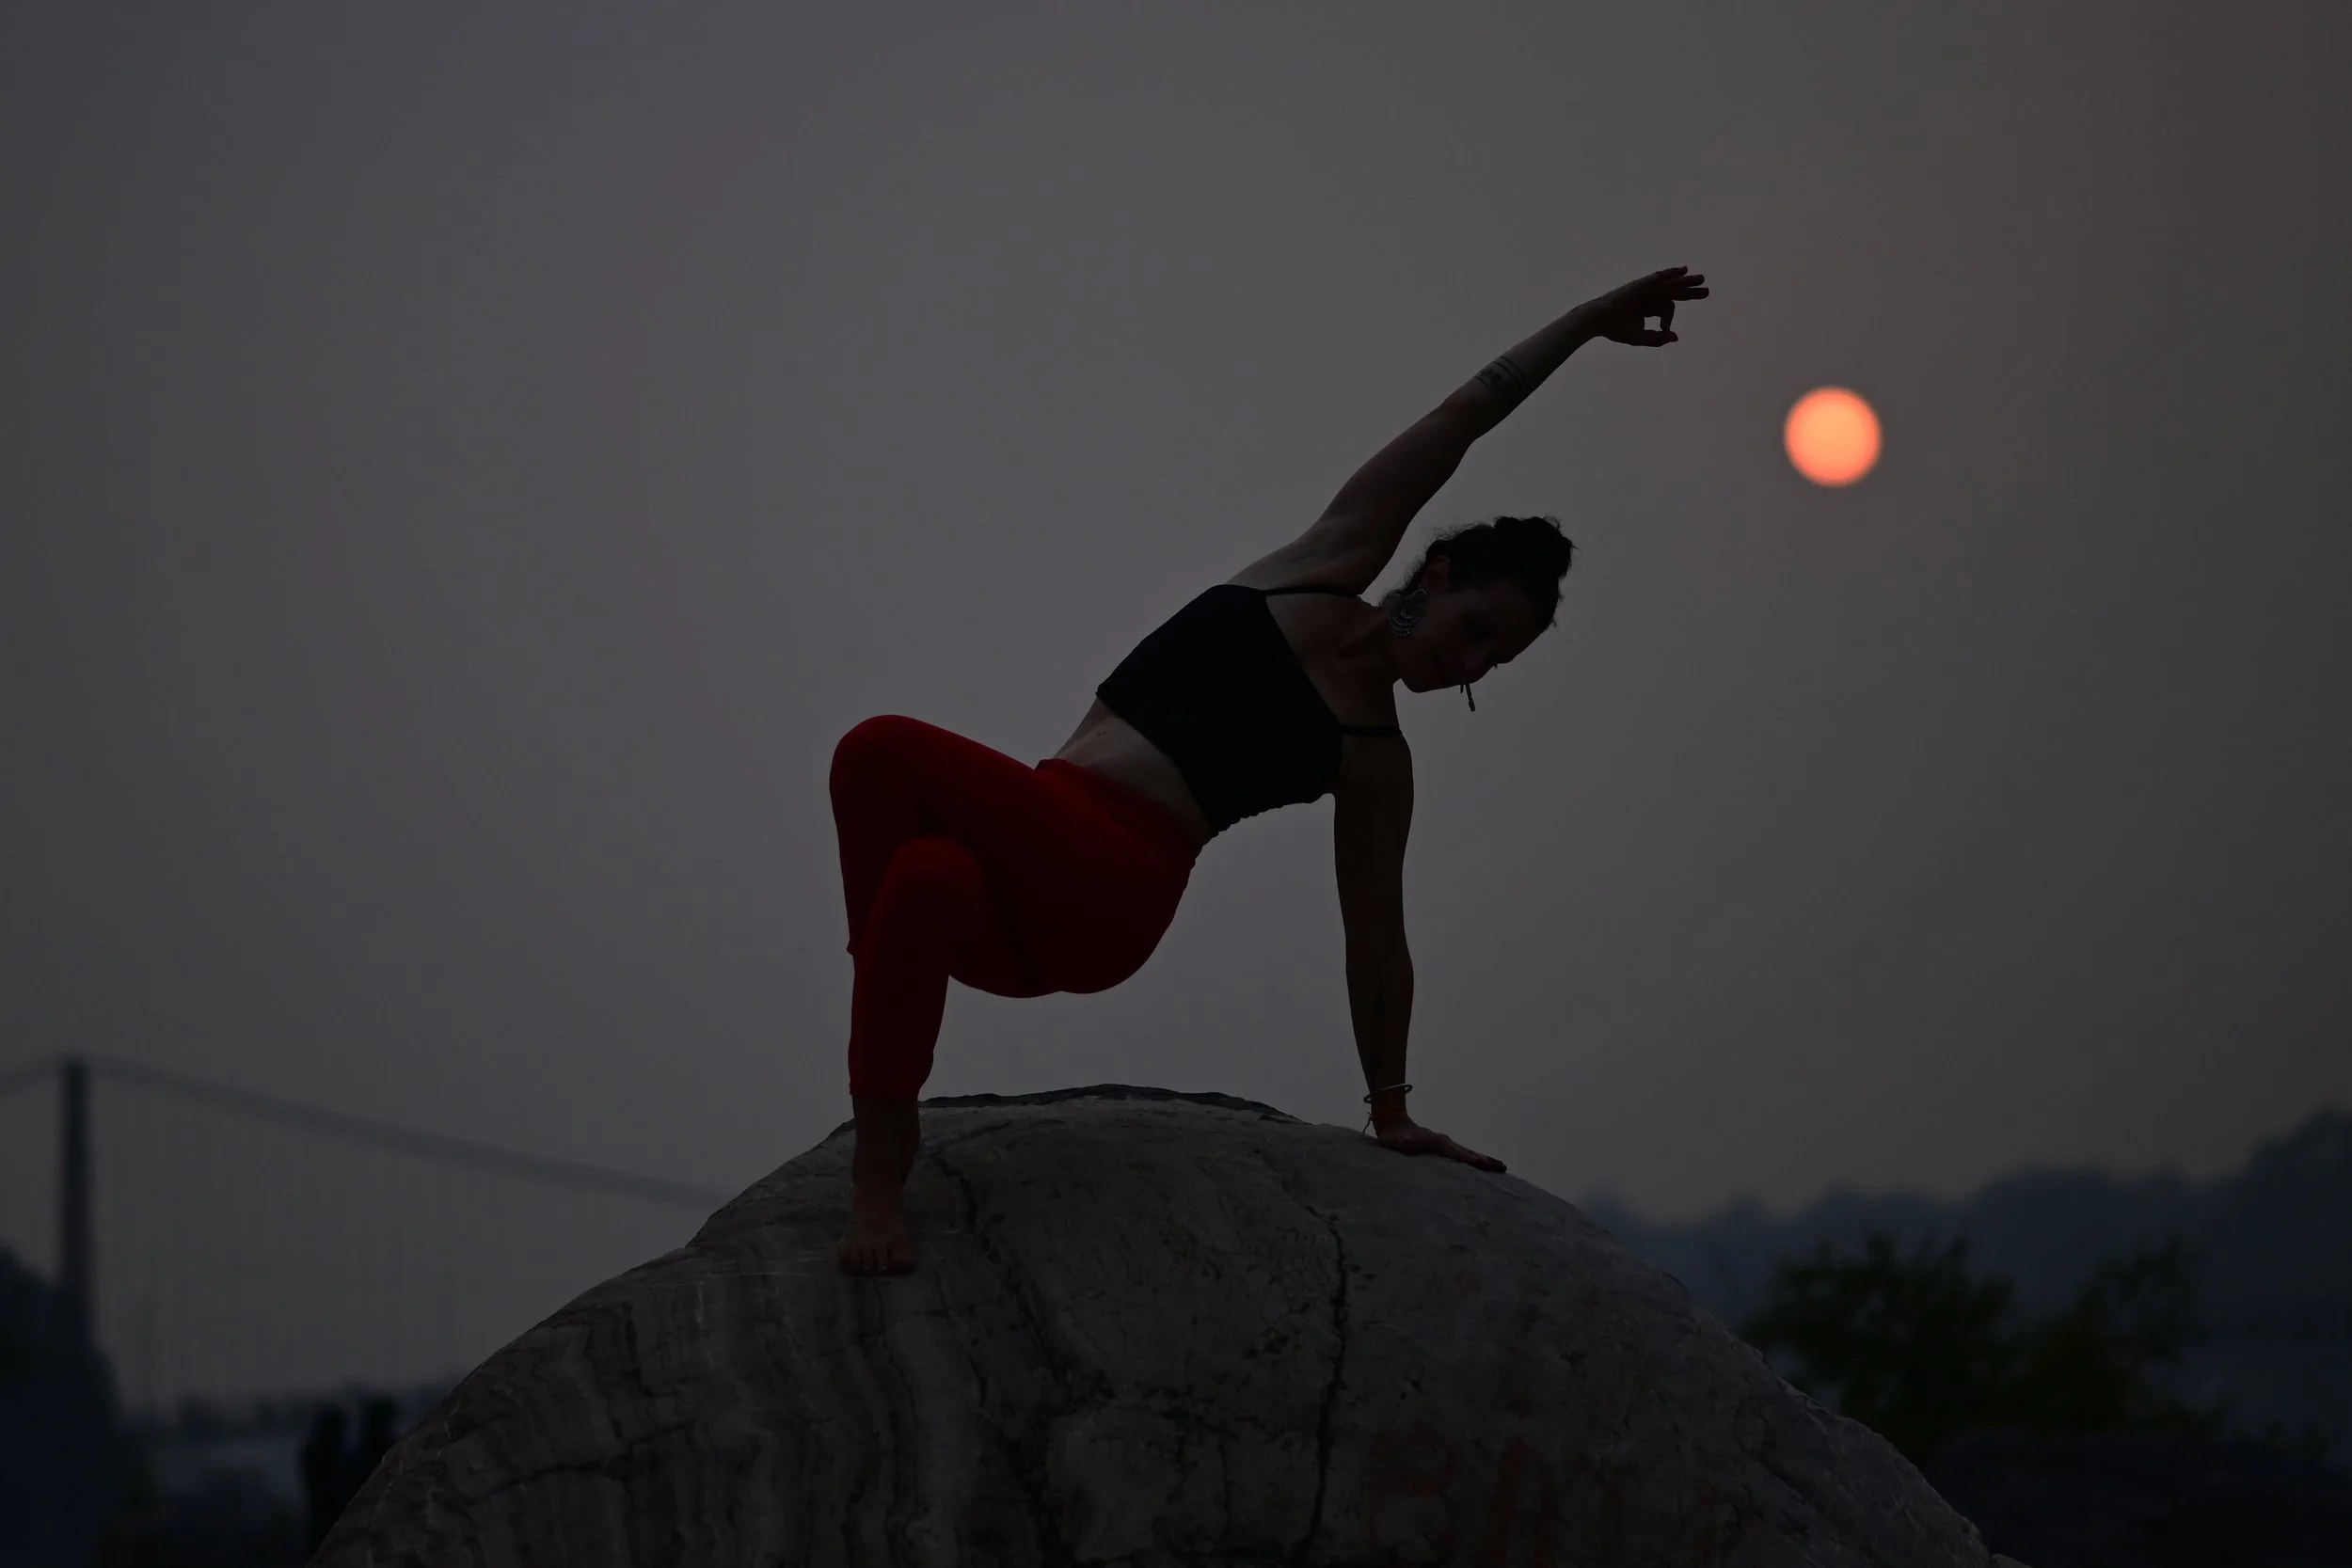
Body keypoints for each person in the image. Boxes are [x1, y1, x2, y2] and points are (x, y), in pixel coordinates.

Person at [831, 266, 1710, 1274]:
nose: (1465, 664)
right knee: (923, 878)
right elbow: (1462, 415)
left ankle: (876, 1124)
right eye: (1475, 630)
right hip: (1031, 856)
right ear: (1435, 572)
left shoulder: (1374, 757)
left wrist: (1392, 1110)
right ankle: (881, 1141)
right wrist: (1590, 322)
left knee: (880, 749)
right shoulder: (1319, 560)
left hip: (1116, 887)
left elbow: (1377, 937)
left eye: (1491, 662)